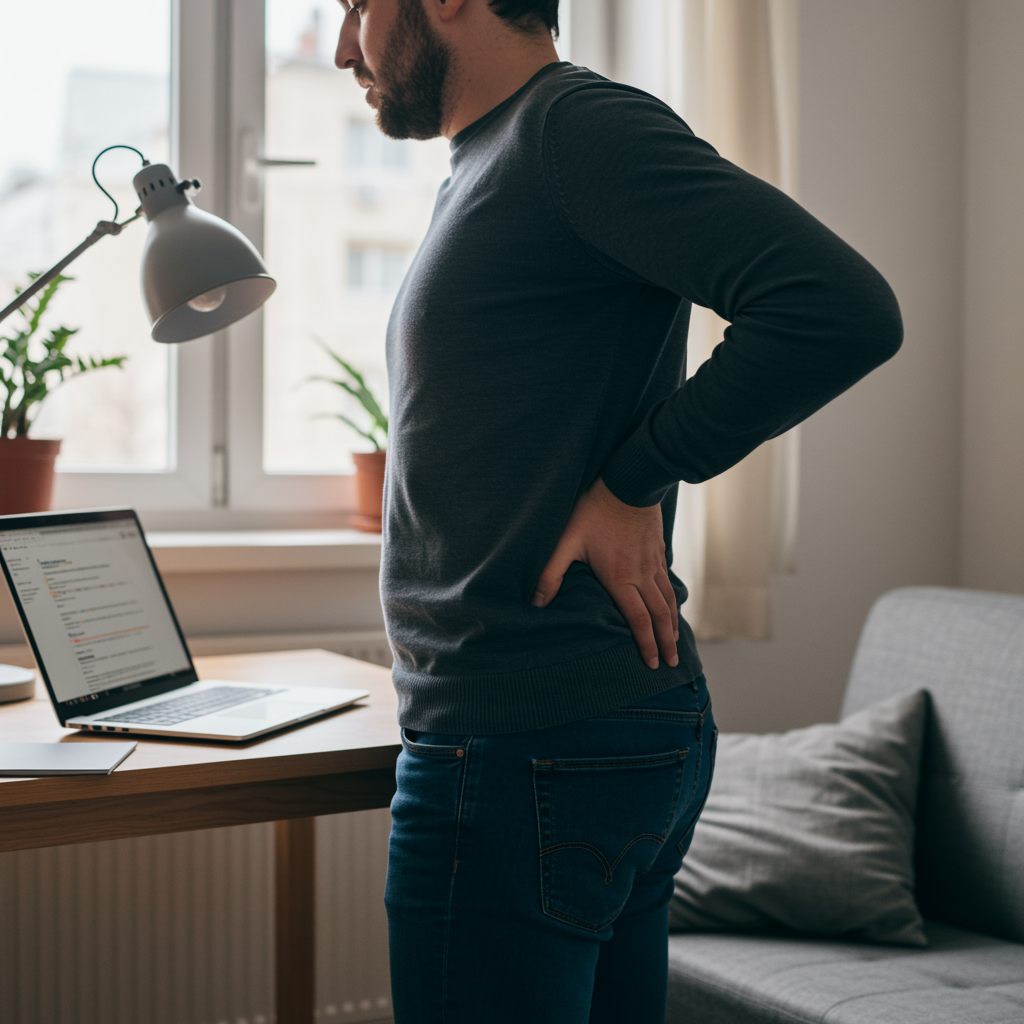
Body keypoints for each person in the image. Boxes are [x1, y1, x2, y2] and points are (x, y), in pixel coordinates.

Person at [333, 1, 902, 1021]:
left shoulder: (571, 130)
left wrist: (635, 478)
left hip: (526, 746)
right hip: (554, 737)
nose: (344, 48)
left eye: (356, 6)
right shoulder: (494, 157)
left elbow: (839, 306)